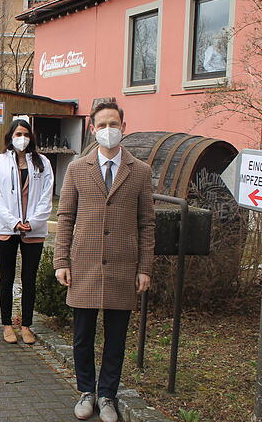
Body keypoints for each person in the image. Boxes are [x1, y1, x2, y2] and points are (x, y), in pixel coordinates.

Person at [54, 102, 155, 422]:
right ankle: (86, 391)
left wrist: (144, 267)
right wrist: (61, 260)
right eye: (102, 124)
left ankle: (108, 395)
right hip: (84, 265)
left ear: (124, 126)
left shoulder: (140, 171)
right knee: (82, 336)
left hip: (123, 266)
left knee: (116, 337)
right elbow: (66, 216)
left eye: (115, 123)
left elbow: (147, 223)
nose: (109, 129)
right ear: (93, 129)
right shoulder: (76, 169)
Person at [0, 119, 54, 345]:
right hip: (7, 228)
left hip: (34, 230)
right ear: (10, 136)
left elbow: (47, 196)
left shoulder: (42, 163)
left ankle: (26, 325)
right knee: (6, 278)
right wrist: (14, 221)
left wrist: (33, 222)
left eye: (25, 134)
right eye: (18, 133)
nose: (22, 138)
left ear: (31, 137)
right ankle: (7, 324)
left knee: (29, 279)